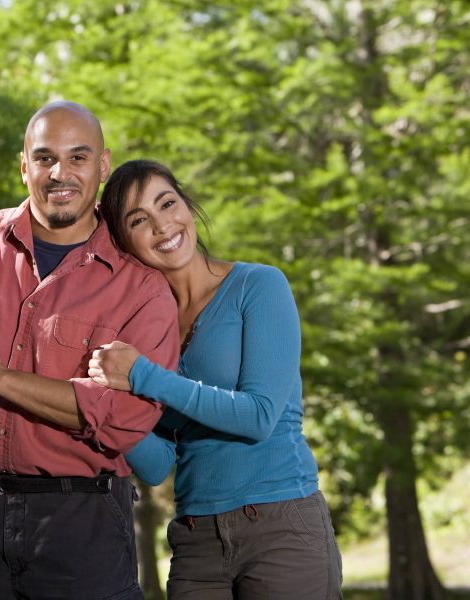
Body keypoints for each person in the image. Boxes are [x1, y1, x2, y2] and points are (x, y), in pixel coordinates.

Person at [0, 101, 180, 599]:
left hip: (82, 524)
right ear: (24, 167)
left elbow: (126, 417)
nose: (60, 173)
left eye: (78, 158)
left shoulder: (142, 286)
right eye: (44, 158)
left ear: (102, 166)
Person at [88, 158, 343, 599]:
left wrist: (144, 376)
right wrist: (98, 404)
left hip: (281, 526)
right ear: (124, 242)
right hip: (196, 538)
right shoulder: (146, 334)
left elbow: (260, 416)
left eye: (167, 203)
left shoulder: (258, 286)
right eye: (139, 220)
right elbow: (157, 464)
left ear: (187, 205)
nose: (163, 226)